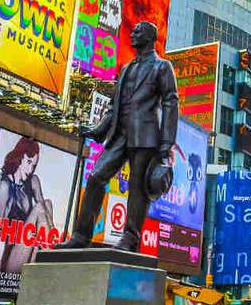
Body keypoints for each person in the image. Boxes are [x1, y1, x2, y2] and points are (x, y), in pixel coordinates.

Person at [56, 21, 179, 252]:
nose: (132, 34)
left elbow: (171, 102)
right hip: (119, 134)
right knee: (96, 177)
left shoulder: (162, 67)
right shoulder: (126, 69)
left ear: (150, 37)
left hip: (145, 135)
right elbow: (114, 106)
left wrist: (166, 142)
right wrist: (98, 130)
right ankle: (81, 236)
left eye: (137, 31)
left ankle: (130, 238)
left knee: (137, 187)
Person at [0, 137, 55, 274]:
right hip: (12, 260)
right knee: (40, 208)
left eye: (34, 165)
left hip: (31, 251)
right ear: (20, 158)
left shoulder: (33, 181)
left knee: (47, 204)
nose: (30, 169)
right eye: (28, 162)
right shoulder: (6, 186)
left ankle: (54, 251)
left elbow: (45, 214)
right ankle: (55, 257)